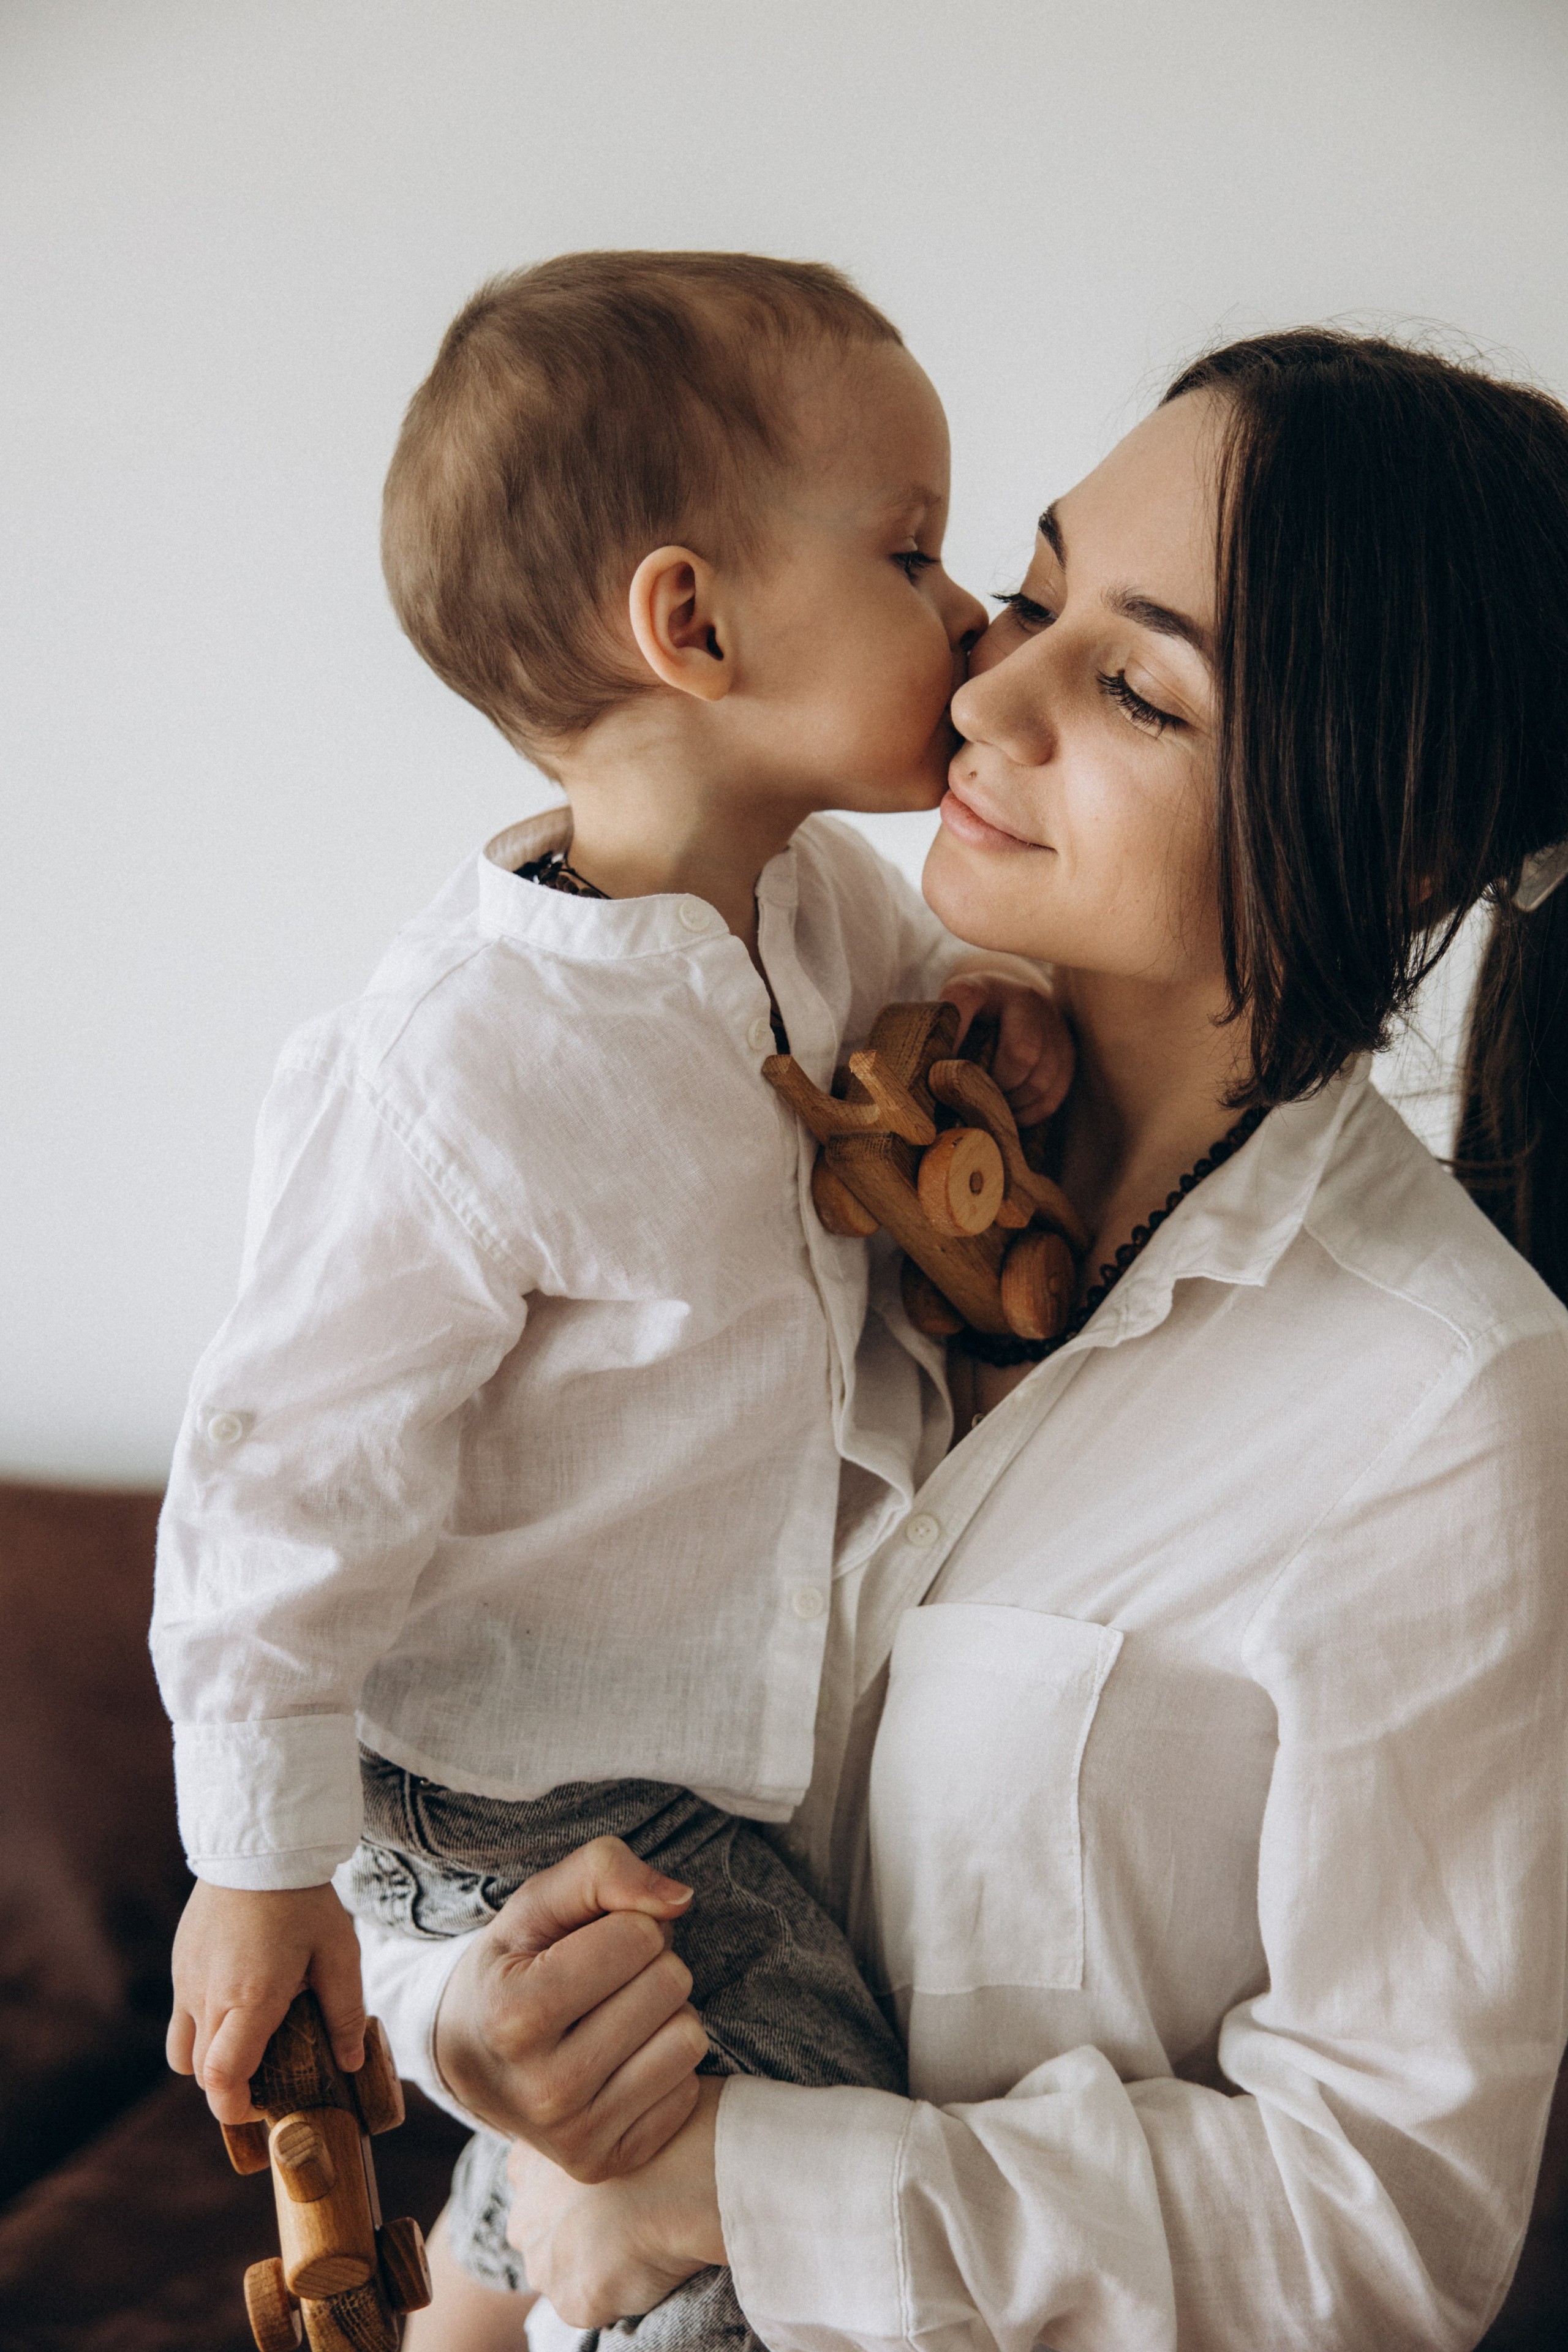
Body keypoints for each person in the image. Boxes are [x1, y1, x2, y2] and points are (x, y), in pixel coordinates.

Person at [379, 329, 1568, 2352]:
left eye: (1133, 684)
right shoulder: (745, 1106)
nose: (983, 689)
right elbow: (466, 1686)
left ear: (1409, 846)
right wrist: (462, 2016)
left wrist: (735, 2182)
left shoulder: (1452, 1407)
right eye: (1026, 592)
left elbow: (1379, 2230)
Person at [148, 251, 1072, 2346]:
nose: (971, 620)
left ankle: (497, 2259)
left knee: (705, 2051)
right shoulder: (463, 1062)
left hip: (700, 1740)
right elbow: (277, 1474)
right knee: (788, 2117)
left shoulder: (823, 906)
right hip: (518, 1776)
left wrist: (993, 1030)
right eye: (917, 553)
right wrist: (260, 1860)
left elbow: (904, 1069)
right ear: (694, 622)